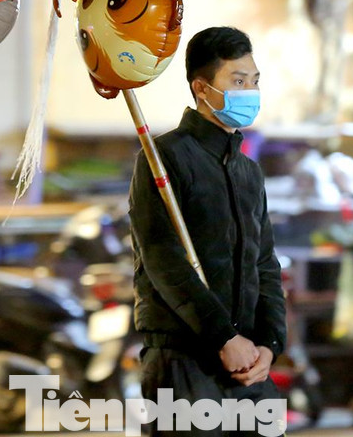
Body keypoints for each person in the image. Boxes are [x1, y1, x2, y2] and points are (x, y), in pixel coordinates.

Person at [129, 27, 287, 435]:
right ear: (202, 88)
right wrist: (222, 337)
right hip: (184, 362)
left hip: (246, 364)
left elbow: (264, 263)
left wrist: (270, 343)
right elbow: (163, 259)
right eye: (237, 81)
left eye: (254, 81)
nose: (250, 91)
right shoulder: (164, 158)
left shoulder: (247, 171)